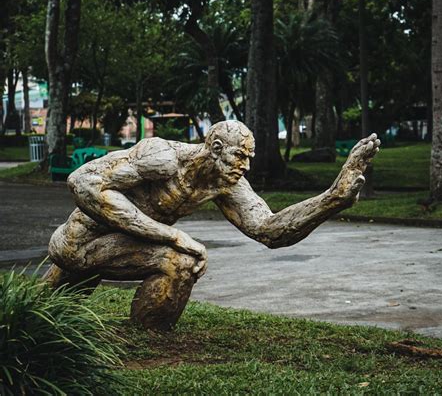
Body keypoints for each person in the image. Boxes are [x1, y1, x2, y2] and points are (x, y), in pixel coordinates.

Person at [44, 120, 380, 330]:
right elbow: (83, 182)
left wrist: (333, 198)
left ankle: (148, 335)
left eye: (249, 158)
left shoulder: (225, 183)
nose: (245, 166)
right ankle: (144, 337)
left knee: (40, 318)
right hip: (78, 244)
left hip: (121, 247)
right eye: (239, 156)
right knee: (181, 259)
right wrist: (172, 235)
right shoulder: (163, 158)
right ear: (216, 148)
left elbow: (269, 230)